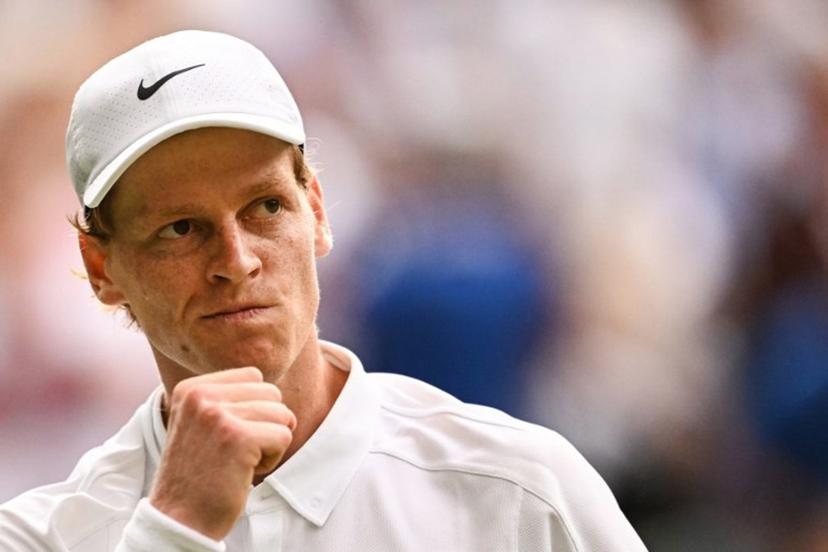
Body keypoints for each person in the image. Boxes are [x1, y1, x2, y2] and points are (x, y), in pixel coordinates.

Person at [0, 30, 647, 551]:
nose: (237, 260)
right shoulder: (41, 535)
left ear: (317, 211)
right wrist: (176, 529)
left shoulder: (518, 491)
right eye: (180, 228)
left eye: (265, 207)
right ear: (102, 268)